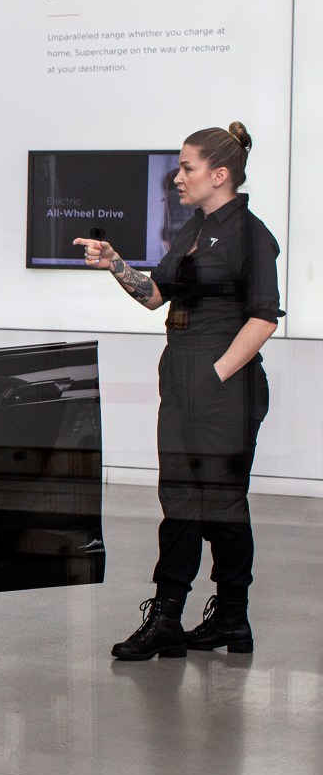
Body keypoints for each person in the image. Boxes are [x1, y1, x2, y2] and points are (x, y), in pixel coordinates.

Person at [73, 121, 282, 661]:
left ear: (219, 174)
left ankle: (232, 619)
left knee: (224, 506)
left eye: (187, 168)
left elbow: (263, 319)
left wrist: (214, 375)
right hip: (183, 387)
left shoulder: (252, 236)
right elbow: (154, 295)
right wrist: (114, 262)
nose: (178, 176)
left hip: (226, 393)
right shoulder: (191, 231)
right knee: (180, 502)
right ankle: (167, 616)